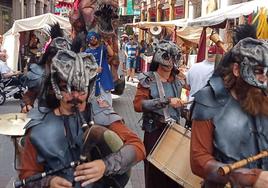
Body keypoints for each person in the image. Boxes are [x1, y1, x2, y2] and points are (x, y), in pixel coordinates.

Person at [19, 48, 146, 187]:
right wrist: (48, 182)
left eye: (81, 89)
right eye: (67, 88)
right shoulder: (39, 125)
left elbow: (137, 147)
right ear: (55, 87)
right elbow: (28, 176)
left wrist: (105, 165)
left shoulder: (100, 115)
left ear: (89, 88)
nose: (75, 97)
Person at [190, 37, 268, 188]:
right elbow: (199, 161)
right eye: (257, 72)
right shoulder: (208, 99)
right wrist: (250, 178)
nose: (263, 81)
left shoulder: (264, 98)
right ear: (237, 70)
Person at [133, 40, 185, 188]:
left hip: (174, 130)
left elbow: (178, 109)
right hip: (155, 131)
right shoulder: (148, 79)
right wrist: (167, 101)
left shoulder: (177, 80)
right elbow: (137, 105)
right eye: (167, 58)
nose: (170, 64)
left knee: (175, 174)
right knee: (155, 175)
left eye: (173, 59)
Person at [85, 31, 114, 106]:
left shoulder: (102, 48)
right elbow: (86, 66)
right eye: (91, 39)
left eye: (95, 38)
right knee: (95, 102)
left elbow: (111, 54)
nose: (93, 40)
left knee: (107, 101)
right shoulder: (87, 52)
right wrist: (95, 70)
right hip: (93, 80)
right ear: (88, 40)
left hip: (104, 78)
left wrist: (106, 43)